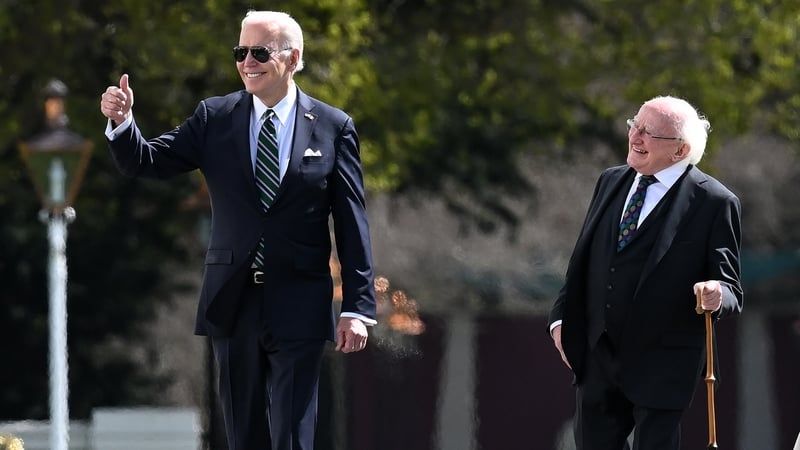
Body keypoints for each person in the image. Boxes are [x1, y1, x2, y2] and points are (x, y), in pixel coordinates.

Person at [99, 10, 376, 450]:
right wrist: (123, 123)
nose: (247, 62)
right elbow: (146, 161)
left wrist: (357, 308)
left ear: (293, 57)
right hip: (232, 300)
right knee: (243, 434)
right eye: (240, 52)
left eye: (260, 52)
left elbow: (351, 221)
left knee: (291, 434)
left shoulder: (333, 127)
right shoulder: (215, 117)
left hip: (300, 301)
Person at [548, 95, 743, 450]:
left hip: (664, 363)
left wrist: (716, 292)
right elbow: (582, 261)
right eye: (634, 126)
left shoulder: (715, 202)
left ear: (680, 150)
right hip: (597, 356)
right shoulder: (611, 181)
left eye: (648, 133)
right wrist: (560, 320)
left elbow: (731, 288)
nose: (635, 137)